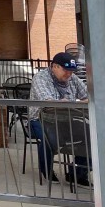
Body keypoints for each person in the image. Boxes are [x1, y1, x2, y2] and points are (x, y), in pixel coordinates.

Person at [29, 52, 90, 185]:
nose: (69, 74)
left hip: (66, 119)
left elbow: (89, 96)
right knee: (49, 138)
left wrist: (68, 103)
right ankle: (47, 170)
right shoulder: (41, 78)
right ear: (55, 66)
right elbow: (49, 103)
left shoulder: (73, 78)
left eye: (71, 71)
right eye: (66, 70)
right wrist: (73, 103)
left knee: (93, 135)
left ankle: (77, 173)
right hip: (40, 120)